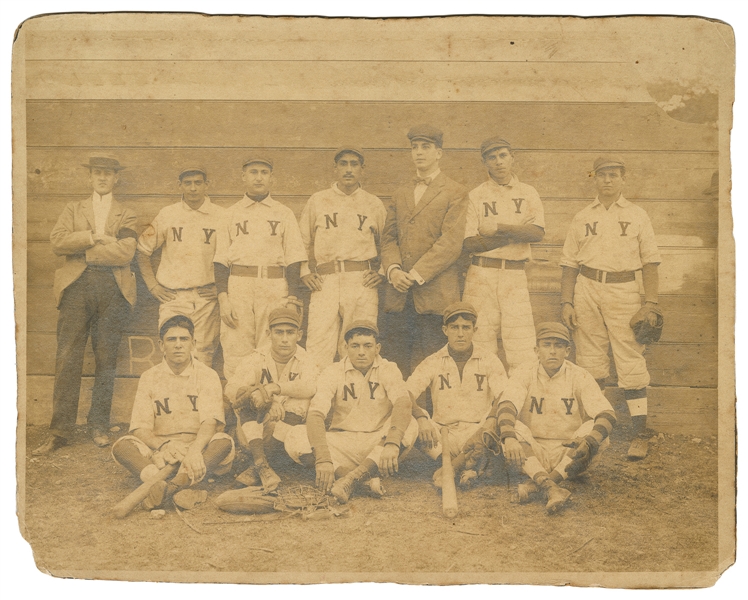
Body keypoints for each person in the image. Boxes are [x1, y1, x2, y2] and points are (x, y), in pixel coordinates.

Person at [33, 155, 138, 455]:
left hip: (112, 288)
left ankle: (99, 425)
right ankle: (60, 431)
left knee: (106, 358)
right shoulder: (73, 209)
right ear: (90, 178)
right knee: (67, 357)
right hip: (76, 287)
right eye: (97, 173)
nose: (102, 178)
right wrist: (94, 237)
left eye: (108, 174)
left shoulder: (126, 214)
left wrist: (86, 251)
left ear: (116, 178)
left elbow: (126, 253)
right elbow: (57, 242)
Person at [560, 157, 661, 460]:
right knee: (590, 359)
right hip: (587, 286)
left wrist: (651, 302)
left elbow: (651, 262)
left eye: (614, 175)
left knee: (630, 356)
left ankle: (639, 432)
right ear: (594, 179)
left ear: (622, 180)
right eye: (602, 175)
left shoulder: (637, 214)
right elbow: (568, 264)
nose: (607, 180)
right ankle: (594, 430)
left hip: (624, 288)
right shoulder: (582, 216)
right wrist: (566, 300)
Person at [486, 322, 617, 514]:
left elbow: (607, 413)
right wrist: (510, 437)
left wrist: (588, 442)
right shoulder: (524, 372)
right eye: (547, 345)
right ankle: (553, 487)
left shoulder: (579, 375)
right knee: (511, 428)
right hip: (532, 453)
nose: (553, 351)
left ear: (568, 350)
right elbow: (506, 406)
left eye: (559, 345)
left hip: (569, 455)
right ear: (536, 350)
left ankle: (540, 484)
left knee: (595, 430)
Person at [283, 321, 419, 504]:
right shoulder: (333, 371)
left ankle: (351, 479)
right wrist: (323, 458)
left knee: (410, 424)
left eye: (368, 346)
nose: (361, 352)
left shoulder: (388, 368)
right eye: (355, 346)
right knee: (294, 435)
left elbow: (403, 403)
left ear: (377, 348)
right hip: (343, 443)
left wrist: (392, 443)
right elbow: (315, 414)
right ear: (345, 347)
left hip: (378, 443)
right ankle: (357, 480)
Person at [111, 315, 235, 510]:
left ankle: (168, 488)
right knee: (122, 446)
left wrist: (194, 451)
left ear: (193, 343)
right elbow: (140, 428)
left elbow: (210, 422)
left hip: (198, 448)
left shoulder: (207, 375)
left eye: (184, 339)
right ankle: (173, 483)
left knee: (223, 442)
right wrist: (164, 445)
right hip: (161, 449)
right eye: (171, 339)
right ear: (161, 345)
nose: (178, 345)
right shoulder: (149, 377)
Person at [380, 125, 469, 377]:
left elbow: (450, 243)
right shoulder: (401, 192)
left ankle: (431, 416)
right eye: (414, 147)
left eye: (426, 147)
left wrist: (416, 273)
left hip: (435, 293)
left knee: (435, 363)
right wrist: (394, 270)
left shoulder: (455, 191)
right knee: (395, 362)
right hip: (398, 294)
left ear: (439, 153)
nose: (419, 153)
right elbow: (389, 238)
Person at [213, 157, 307, 379]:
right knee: (236, 346)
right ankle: (241, 410)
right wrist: (223, 299)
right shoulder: (230, 213)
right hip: (239, 284)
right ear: (243, 177)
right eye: (253, 172)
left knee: (271, 348)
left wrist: (292, 298)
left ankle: (270, 408)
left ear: (271, 178)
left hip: (274, 285)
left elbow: (294, 258)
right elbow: (220, 260)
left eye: (264, 172)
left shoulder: (283, 213)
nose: (258, 177)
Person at [462, 137, 545, 372]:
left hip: (514, 274)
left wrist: (500, 228)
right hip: (481, 272)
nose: (498, 162)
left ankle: (517, 404)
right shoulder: (475, 195)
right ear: (484, 162)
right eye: (491, 157)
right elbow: (470, 242)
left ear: (512, 157)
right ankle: (486, 404)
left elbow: (537, 233)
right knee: (481, 342)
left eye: (502, 155)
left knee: (521, 343)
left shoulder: (528, 192)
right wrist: (518, 232)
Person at [299, 146, 386, 369]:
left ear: (362, 169)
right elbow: (300, 241)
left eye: (354, 164)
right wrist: (304, 272)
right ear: (335, 169)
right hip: (325, 280)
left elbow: (389, 242)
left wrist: (383, 272)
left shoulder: (373, 203)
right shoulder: (318, 200)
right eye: (343, 164)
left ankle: (355, 401)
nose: (348, 169)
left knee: (359, 345)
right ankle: (316, 401)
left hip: (361, 280)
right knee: (319, 345)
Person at [405, 302, 508, 486]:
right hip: (444, 435)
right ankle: (467, 467)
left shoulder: (489, 359)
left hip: (478, 433)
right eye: (454, 327)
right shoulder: (433, 360)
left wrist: (491, 420)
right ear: (445, 330)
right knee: (409, 423)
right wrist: (421, 418)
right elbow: (405, 393)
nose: (460, 333)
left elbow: (504, 395)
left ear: (474, 330)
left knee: (506, 424)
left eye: (466, 327)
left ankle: (451, 468)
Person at [136, 167, 224, 366]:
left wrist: (221, 288)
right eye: (187, 183)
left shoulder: (221, 216)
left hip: (206, 299)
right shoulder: (168, 214)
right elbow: (142, 250)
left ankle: (198, 397)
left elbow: (234, 257)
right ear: (180, 185)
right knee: (173, 354)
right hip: (174, 297)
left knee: (203, 354)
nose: (193, 188)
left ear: (206, 185)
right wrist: (152, 285)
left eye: (198, 183)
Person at [224, 307, 319, 491]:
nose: (284, 339)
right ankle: (263, 461)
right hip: (254, 430)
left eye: (290, 333)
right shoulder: (257, 357)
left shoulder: (306, 359)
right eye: (279, 332)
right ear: (269, 333)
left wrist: (275, 388)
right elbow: (231, 389)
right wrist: (264, 396)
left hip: (286, 434)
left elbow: (311, 386)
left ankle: (260, 465)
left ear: (299, 335)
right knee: (250, 395)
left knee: (301, 401)